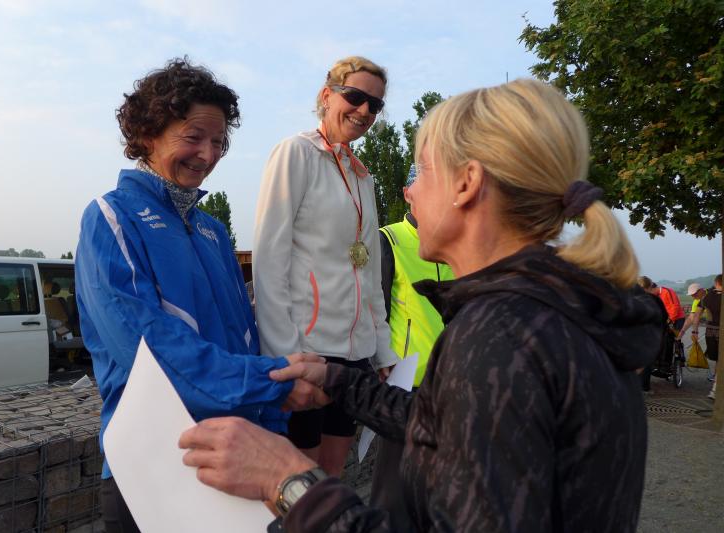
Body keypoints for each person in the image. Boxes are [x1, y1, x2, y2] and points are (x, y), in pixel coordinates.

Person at [179, 79, 664, 532]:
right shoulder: (545, 310)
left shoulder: (503, 337)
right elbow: (456, 430)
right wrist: (339, 381)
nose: (410, 190)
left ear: (466, 184)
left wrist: (289, 483)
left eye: (423, 170)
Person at [74, 58, 321, 532]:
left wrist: (275, 426)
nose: (207, 155)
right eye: (193, 137)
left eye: (219, 141)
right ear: (148, 134)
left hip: (233, 460)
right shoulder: (111, 217)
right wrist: (277, 381)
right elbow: (151, 356)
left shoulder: (213, 231)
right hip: (154, 470)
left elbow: (245, 342)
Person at [252, 56, 399, 476]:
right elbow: (268, 261)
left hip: (355, 355)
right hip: (309, 349)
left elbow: (367, 272)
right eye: (355, 97)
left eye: (375, 104)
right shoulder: (296, 153)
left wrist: (382, 349)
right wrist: (285, 357)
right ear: (327, 95)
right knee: (300, 482)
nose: (365, 111)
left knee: (333, 477)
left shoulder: (362, 176)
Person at [371, 167, 454, 530]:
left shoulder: (453, 244)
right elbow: (376, 307)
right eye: (424, 187)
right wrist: (380, 361)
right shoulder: (389, 238)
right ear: (407, 193)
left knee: (443, 486)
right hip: (406, 380)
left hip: (451, 383)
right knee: (394, 489)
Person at [637, 276, 683, 390]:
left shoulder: (667, 292)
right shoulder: (654, 297)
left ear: (652, 288)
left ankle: (664, 363)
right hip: (660, 323)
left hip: (675, 319)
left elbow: (675, 308)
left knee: (670, 339)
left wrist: (669, 322)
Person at [699, 275, 721, 399]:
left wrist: (694, 331)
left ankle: (715, 389)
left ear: (716, 283)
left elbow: (695, 316)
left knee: (718, 359)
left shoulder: (706, 298)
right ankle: (716, 388)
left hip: (711, 332)